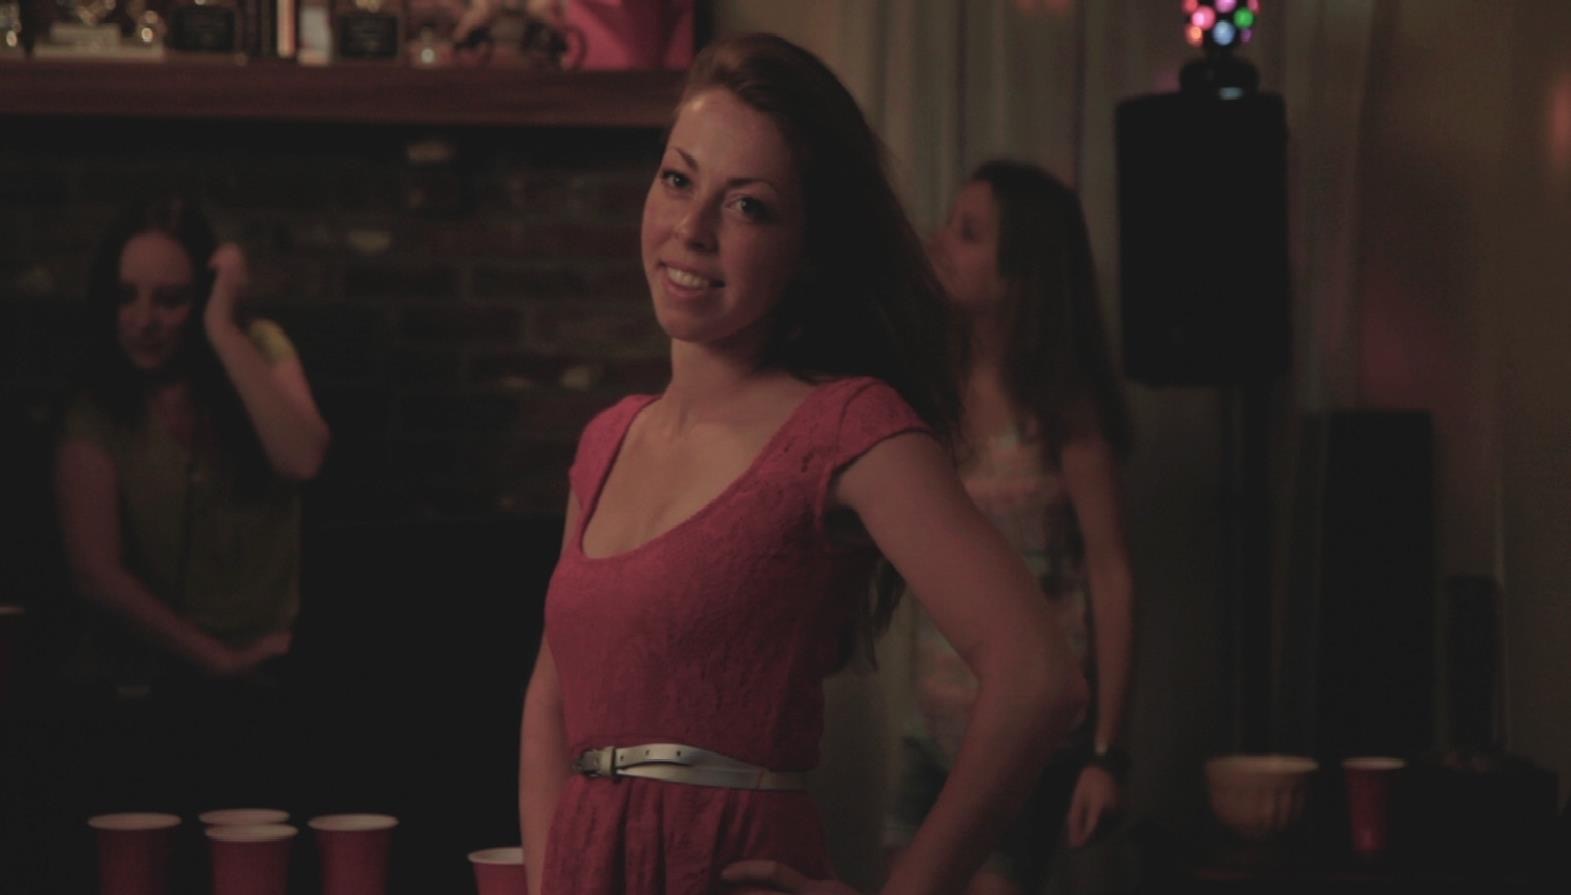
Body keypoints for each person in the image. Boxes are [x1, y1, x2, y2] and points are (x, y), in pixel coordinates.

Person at [518, 33, 1088, 895]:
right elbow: (549, 703)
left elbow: (1039, 678)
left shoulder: (843, 424)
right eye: (678, 180)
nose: (690, 230)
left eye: (747, 206)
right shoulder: (606, 440)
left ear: (808, 247)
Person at [884, 162, 1136, 895]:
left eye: (967, 233)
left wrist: (1107, 754)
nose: (940, 242)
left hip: (1023, 737)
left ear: (1021, 272)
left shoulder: (1063, 407)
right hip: (931, 727)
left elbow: (1111, 576)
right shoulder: (933, 389)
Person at [52, 195, 330, 813]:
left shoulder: (258, 345)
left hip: (269, 679)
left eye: (170, 299)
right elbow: (95, 571)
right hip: (147, 686)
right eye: (126, 297)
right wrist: (216, 660)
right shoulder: (96, 405)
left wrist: (222, 331)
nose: (143, 319)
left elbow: (303, 456)